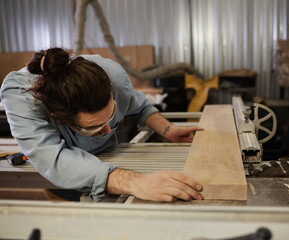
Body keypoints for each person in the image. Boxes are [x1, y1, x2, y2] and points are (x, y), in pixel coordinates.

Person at [0, 47, 204, 202]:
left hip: (107, 161)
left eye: (111, 115)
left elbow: (137, 104)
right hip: (62, 176)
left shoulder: (111, 74)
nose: (107, 130)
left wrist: (168, 130)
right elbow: (53, 159)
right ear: (58, 117)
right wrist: (135, 182)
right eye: (93, 127)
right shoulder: (21, 97)